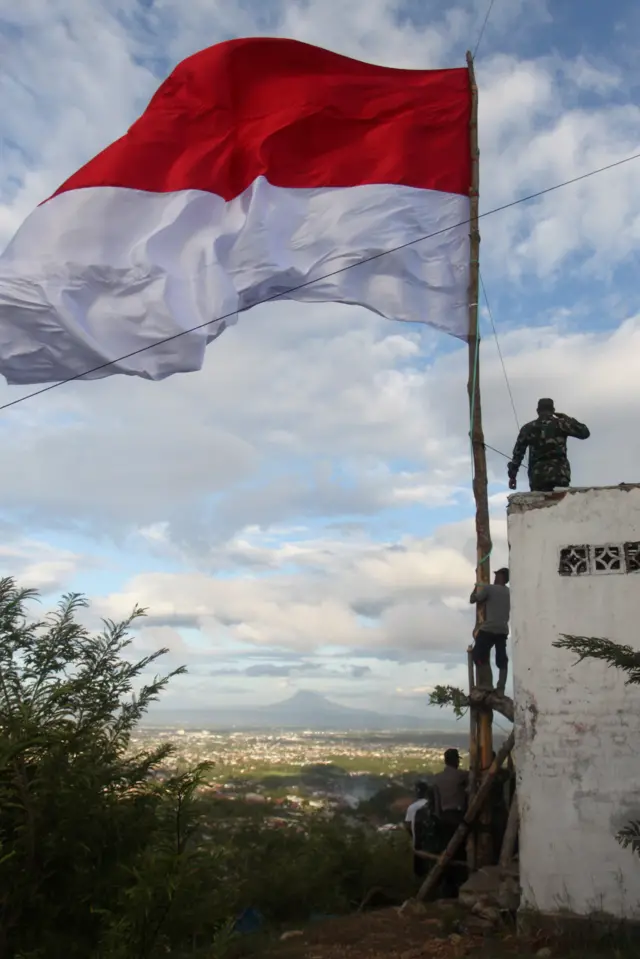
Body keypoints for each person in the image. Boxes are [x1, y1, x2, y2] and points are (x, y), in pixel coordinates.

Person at [507, 398, 590, 492]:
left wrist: (512, 476)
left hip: (538, 477)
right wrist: (567, 419)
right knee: (561, 504)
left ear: (538, 411)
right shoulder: (561, 424)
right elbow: (584, 433)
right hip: (560, 474)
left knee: (540, 505)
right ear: (553, 410)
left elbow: (518, 454)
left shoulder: (528, 428)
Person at [470, 568, 510, 692]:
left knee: (477, 655)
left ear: (502, 577)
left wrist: (476, 587)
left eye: (497, 575)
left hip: (489, 628)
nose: (495, 577)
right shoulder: (510, 592)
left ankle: (486, 685)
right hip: (503, 630)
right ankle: (500, 688)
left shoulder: (489, 589)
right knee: (502, 659)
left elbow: (473, 599)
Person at [405, 781, 436, 877]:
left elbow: (408, 825)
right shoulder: (432, 805)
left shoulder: (412, 808)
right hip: (433, 842)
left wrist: (412, 836)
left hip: (418, 843)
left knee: (420, 873)